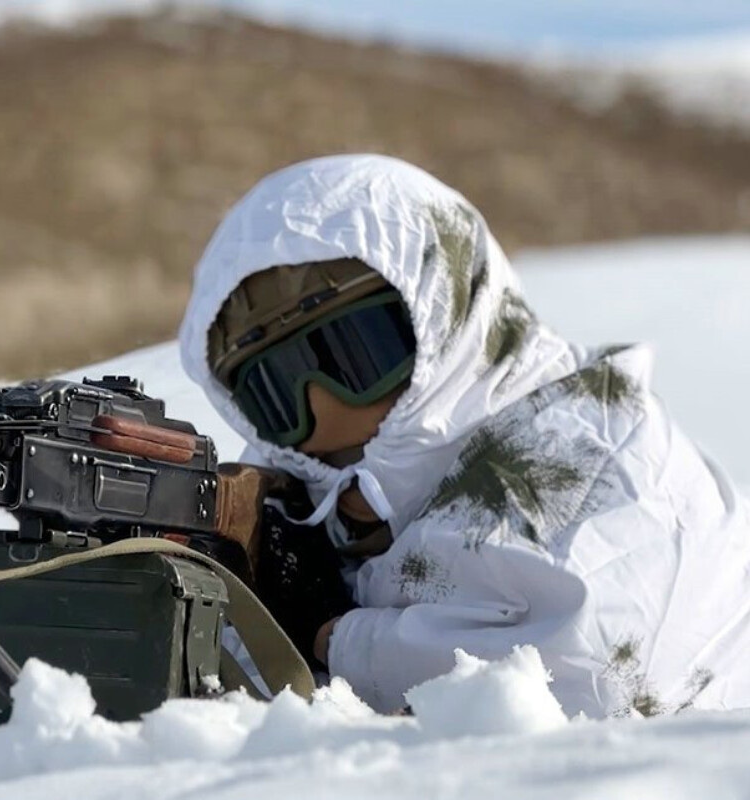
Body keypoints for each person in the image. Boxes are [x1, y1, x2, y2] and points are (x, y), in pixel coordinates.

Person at [179, 154, 750, 718]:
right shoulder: (300, 488)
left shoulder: (598, 467)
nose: (319, 406)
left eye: (351, 355)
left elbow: (593, 681)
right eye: (273, 391)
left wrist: (332, 641)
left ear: (451, 317)